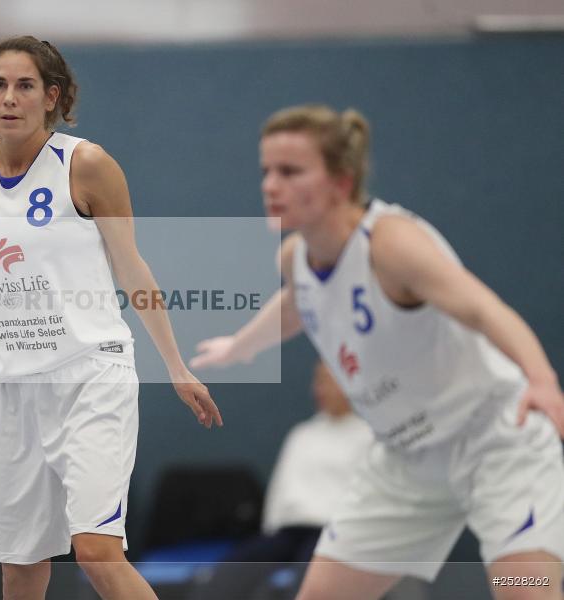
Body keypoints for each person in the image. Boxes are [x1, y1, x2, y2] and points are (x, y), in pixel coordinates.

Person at [191, 104, 564, 600]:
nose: (270, 186)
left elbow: (484, 309)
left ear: (341, 183)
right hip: (406, 459)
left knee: (527, 591)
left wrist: (542, 380)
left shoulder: (391, 244)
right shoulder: (296, 258)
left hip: (492, 438)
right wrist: (239, 346)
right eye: (266, 171)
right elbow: (297, 304)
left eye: (290, 171)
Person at [0, 36, 222, 600]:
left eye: (25, 86)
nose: (9, 98)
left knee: (97, 553)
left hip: (92, 377)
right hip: (16, 387)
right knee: (21, 567)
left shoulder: (85, 164)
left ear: (51, 97)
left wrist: (178, 367)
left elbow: (133, 270)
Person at [187, 360, 372, 600]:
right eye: (318, 382)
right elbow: (279, 490)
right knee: (230, 573)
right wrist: (270, 533)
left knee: (308, 582)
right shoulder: (301, 434)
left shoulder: (368, 436)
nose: (321, 389)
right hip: (288, 533)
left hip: (332, 535)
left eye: (329, 381)